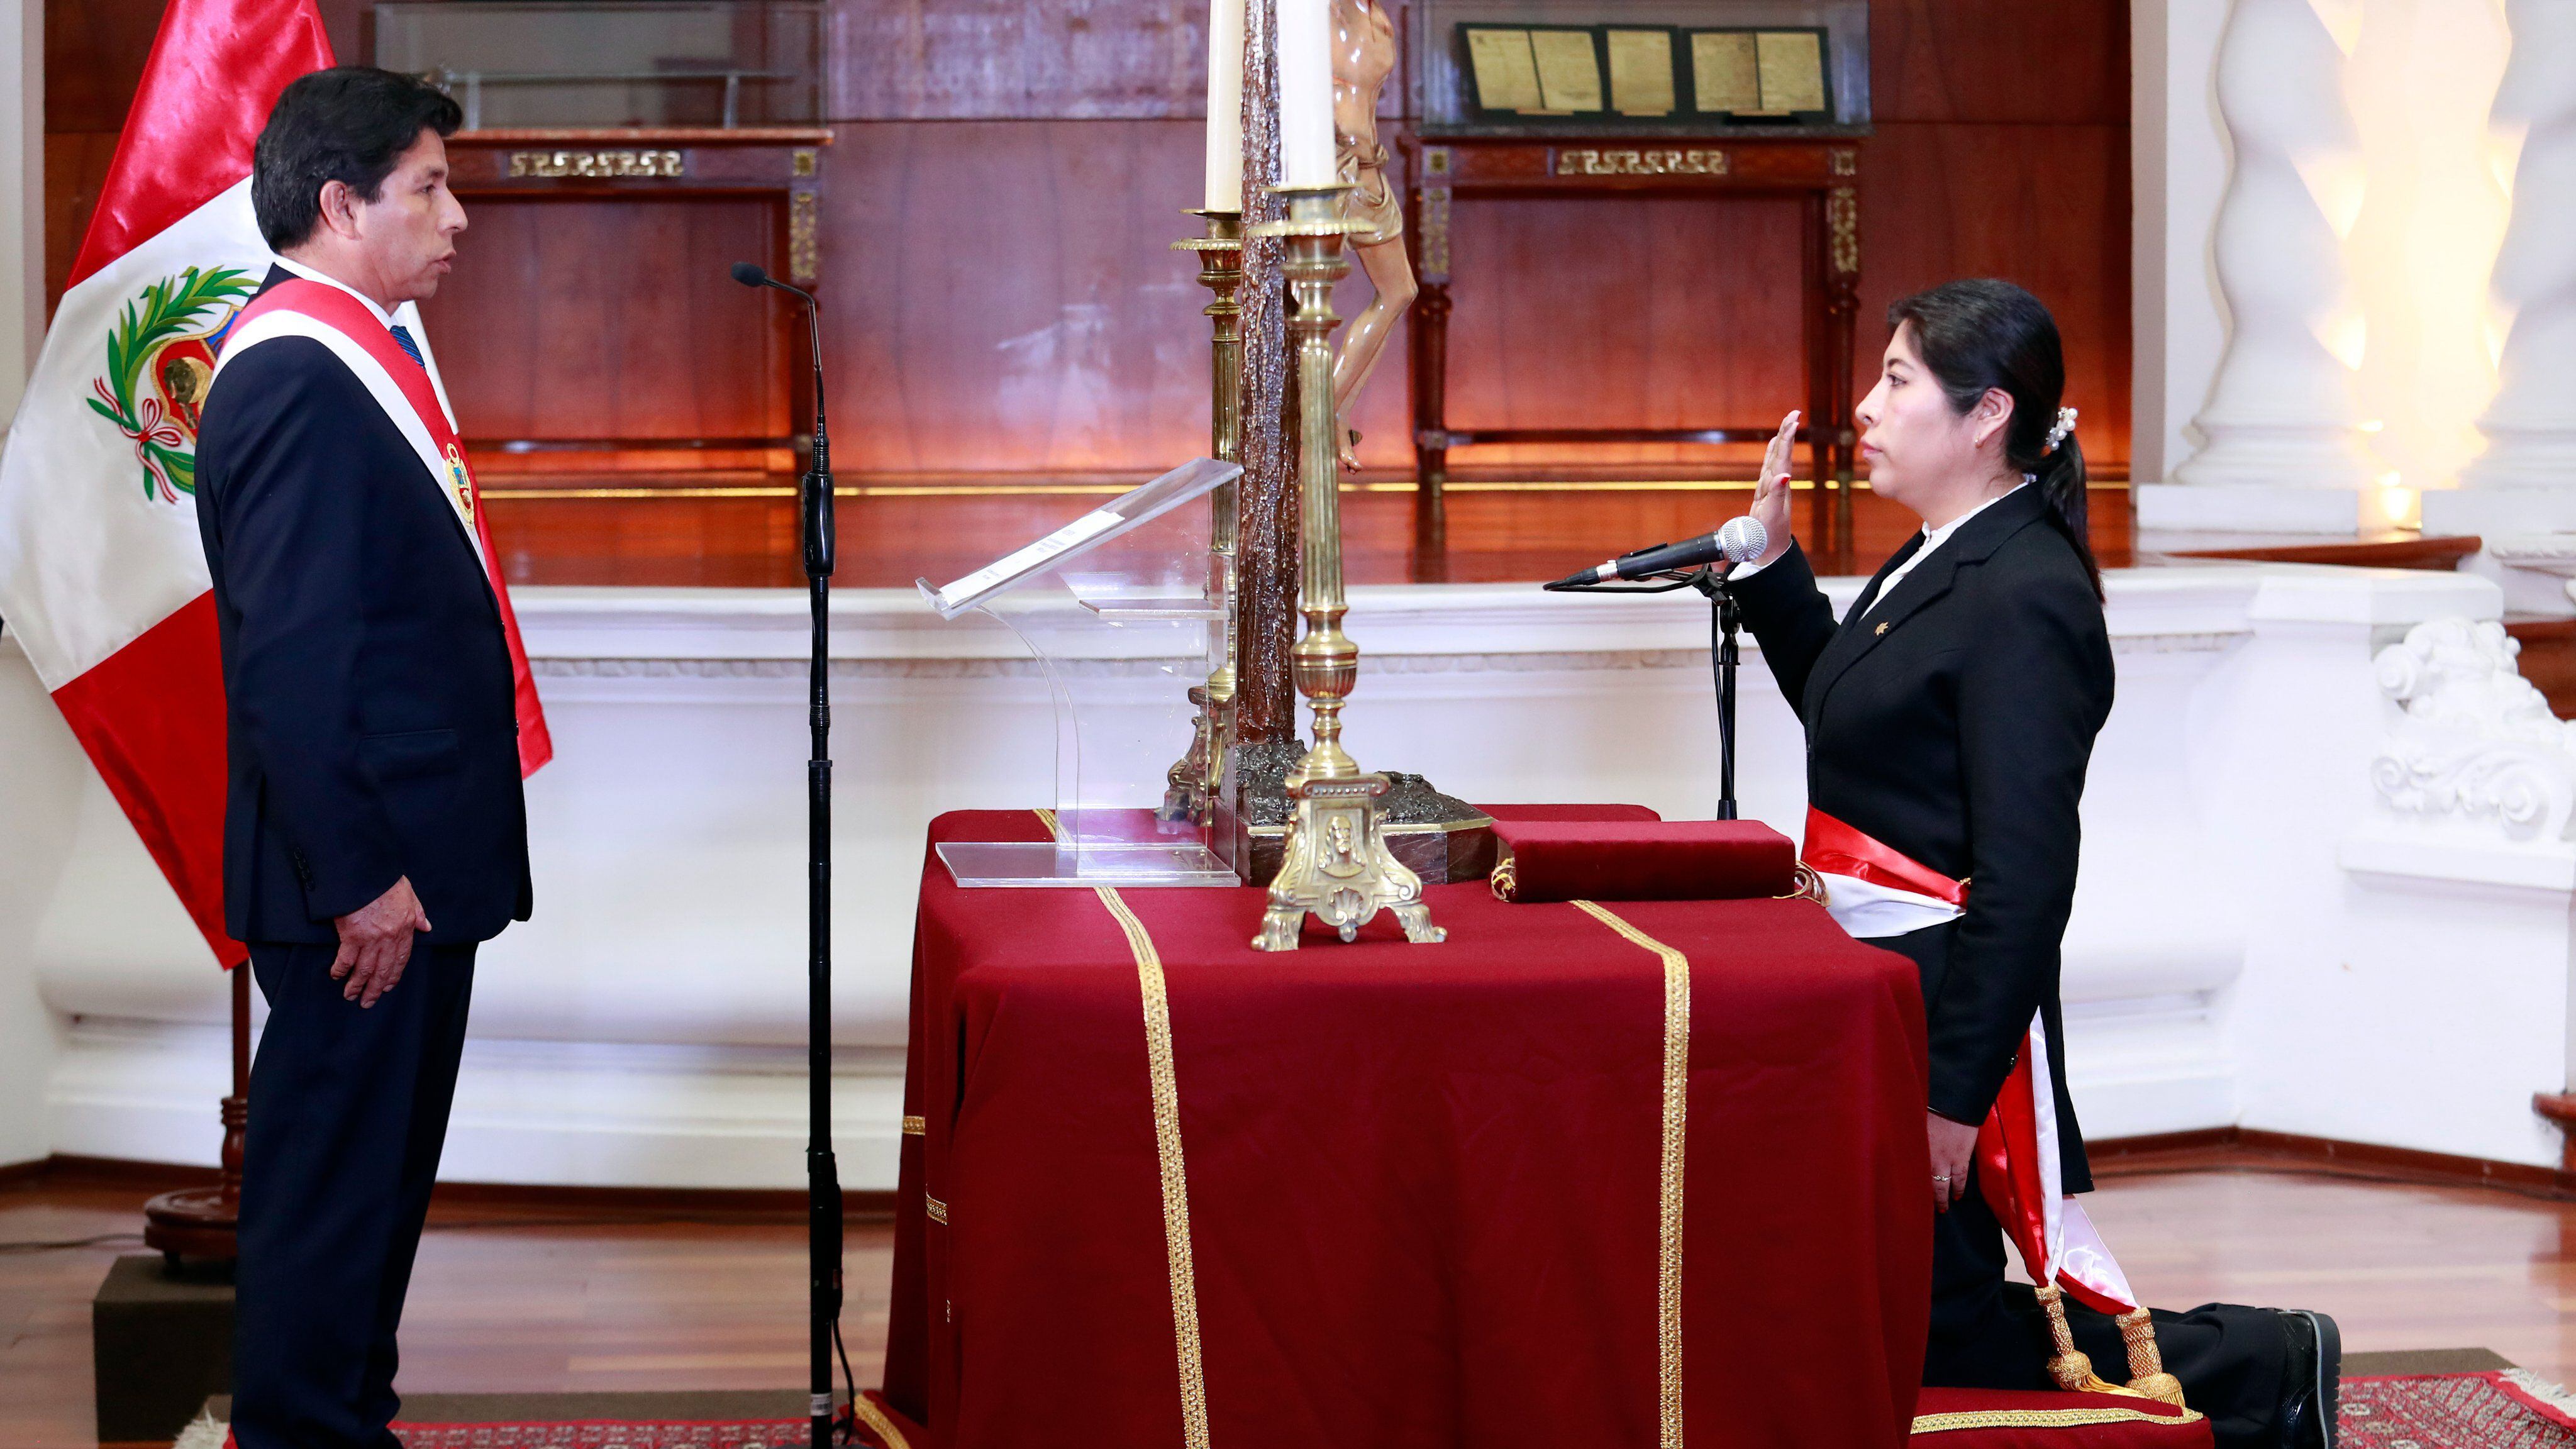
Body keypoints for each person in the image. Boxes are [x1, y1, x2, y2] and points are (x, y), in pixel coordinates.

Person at [1728, 280, 2338, 1448]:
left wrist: (1953, 1098)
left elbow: (2028, 877)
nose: (1864, 405)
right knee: (1910, 1313)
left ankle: (2261, 1363)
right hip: (1882, 993)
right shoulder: (1944, 553)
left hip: (1944, 1011)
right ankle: (2262, 1363)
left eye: (1897, 380)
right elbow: (1853, 719)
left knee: (1936, 1326)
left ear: (1985, 415)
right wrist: (1771, 570)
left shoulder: (2026, 594)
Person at [194, 67, 529, 1449]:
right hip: (361, 885)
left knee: (374, 1193)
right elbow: (293, 658)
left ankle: (345, 1423)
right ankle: (298, 1433)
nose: (456, 219)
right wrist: (362, 877)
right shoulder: (292, 372)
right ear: (342, 205)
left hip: (403, 865)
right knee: (331, 1195)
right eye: (429, 189)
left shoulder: (353, 352)